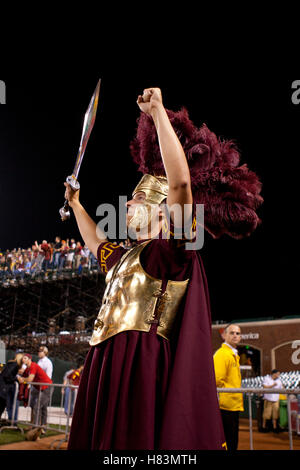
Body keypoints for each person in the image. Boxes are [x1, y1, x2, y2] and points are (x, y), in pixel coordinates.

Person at [64, 87, 262, 450]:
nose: (127, 207)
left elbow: (181, 183)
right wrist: (76, 205)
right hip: (104, 359)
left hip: (141, 362)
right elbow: (95, 242)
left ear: (161, 211)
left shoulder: (169, 253)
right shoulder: (125, 255)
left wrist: (158, 115)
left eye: (138, 200)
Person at [213, 323, 244, 452]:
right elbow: (216, 379)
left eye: (238, 333)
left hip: (233, 404)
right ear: (224, 335)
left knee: (232, 440)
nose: (235, 335)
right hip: (226, 405)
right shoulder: (222, 354)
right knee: (229, 442)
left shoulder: (233, 354)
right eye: (231, 333)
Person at [18, 353, 53, 434]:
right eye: (23, 358)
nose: (23, 360)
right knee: (41, 407)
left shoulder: (33, 365)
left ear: (30, 359)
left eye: (25, 358)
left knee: (38, 407)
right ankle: (41, 428)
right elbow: (21, 375)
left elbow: (29, 379)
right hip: (40, 388)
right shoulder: (27, 368)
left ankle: (36, 428)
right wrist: (20, 375)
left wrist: (22, 379)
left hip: (47, 387)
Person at [0, 353, 23, 422]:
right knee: (1, 406)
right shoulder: (14, 365)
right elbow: (7, 376)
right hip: (3, 388)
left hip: (2, 387)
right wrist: (16, 379)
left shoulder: (11, 364)